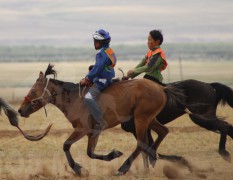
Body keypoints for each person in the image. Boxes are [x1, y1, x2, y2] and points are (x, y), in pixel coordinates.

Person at [80, 29, 117, 137]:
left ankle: (101, 122)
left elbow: (97, 69)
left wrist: (87, 78)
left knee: (88, 98)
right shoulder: (109, 50)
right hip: (109, 77)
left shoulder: (101, 54)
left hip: (102, 80)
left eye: (95, 41)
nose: (94, 43)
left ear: (100, 42)